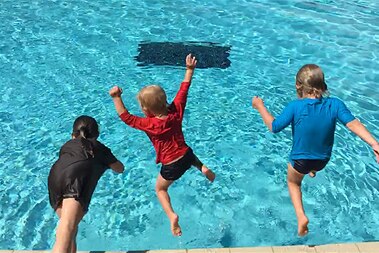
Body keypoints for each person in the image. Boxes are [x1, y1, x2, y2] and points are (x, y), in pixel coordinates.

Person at [252, 64, 379, 237]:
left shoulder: (295, 106)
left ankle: (301, 217)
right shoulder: (335, 104)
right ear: (323, 86)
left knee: (293, 182)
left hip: (300, 162)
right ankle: (311, 171)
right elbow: (353, 124)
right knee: (312, 164)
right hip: (322, 161)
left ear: (298, 85)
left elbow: (274, 127)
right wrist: (374, 144)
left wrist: (260, 106)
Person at [109, 54, 216, 236]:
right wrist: (189, 70)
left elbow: (126, 117)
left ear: (146, 110)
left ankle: (172, 216)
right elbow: (184, 90)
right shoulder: (175, 111)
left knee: (160, 189)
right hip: (187, 154)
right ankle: (202, 168)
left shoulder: (149, 124)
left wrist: (116, 97)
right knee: (188, 154)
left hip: (171, 164)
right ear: (165, 101)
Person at [48, 115, 124, 253]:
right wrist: (106, 161)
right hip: (74, 182)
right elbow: (120, 168)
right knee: (67, 228)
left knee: (70, 229)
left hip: (54, 177)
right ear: (96, 135)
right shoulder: (99, 148)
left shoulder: (67, 145)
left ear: (73, 135)